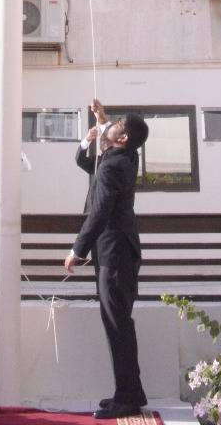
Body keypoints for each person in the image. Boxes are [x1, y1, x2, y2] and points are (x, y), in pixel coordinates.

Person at [64, 112, 150, 419]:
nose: (110, 123)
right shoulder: (125, 158)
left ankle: (127, 397)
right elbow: (90, 159)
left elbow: (98, 212)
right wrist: (101, 125)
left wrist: (78, 248)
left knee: (118, 325)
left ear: (122, 138)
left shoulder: (114, 165)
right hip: (120, 253)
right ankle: (132, 391)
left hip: (114, 254)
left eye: (115, 123)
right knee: (120, 323)